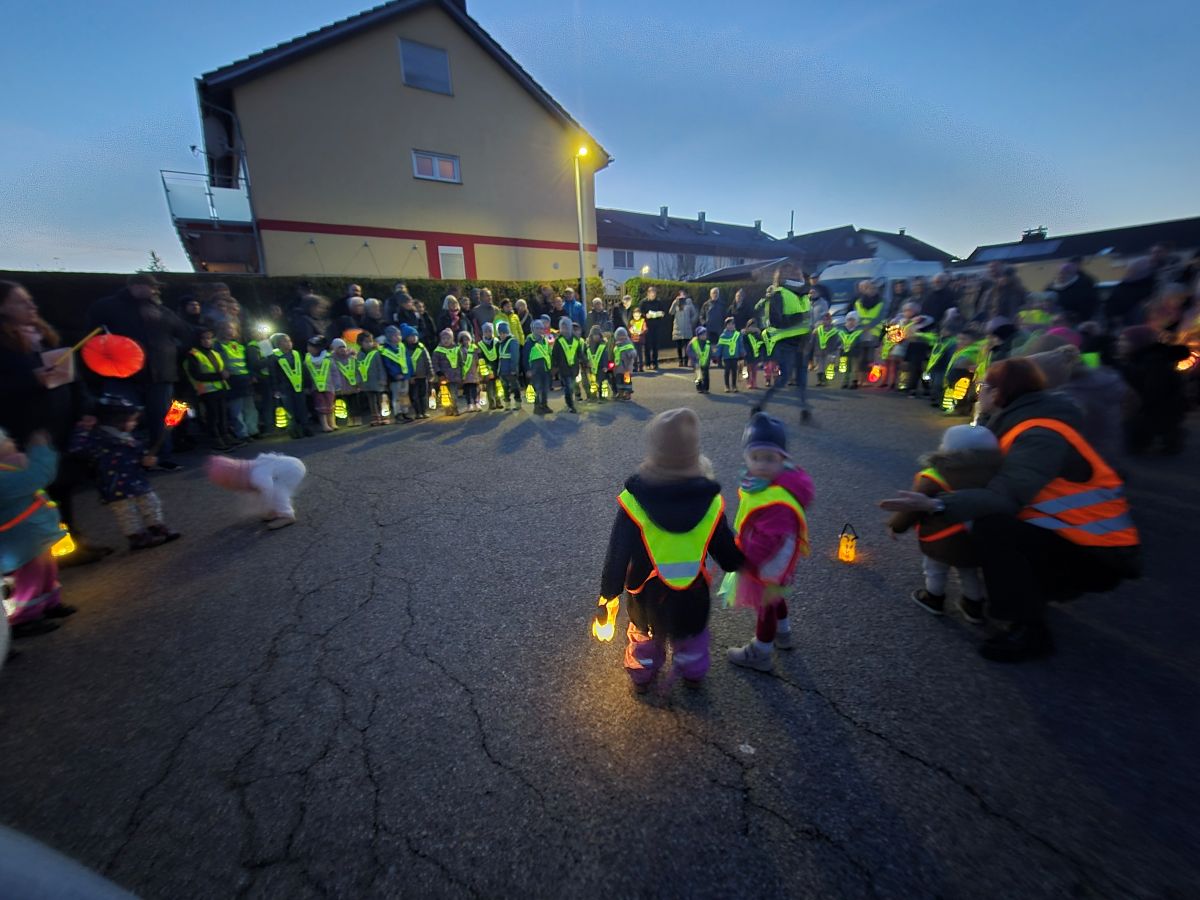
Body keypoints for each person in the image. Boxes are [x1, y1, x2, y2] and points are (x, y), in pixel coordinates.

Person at [880, 358, 1142, 662]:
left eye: (983, 386)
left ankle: (1029, 630)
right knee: (993, 523)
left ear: (1000, 392)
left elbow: (1007, 494)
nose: (978, 392)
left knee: (993, 527)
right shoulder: (1021, 421)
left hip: (1098, 550)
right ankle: (1025, 596)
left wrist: (936, 503)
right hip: (1072, 536)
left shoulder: (1039, 433)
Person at [598, 408, 744, 692]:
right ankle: (692, 670)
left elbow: (618, 552)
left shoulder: (634, 501)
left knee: (644, 634)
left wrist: (608, 593)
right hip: (693, 593)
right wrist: (741, 561)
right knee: (691, 634)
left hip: (645, 593)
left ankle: (642, 674)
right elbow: (724, 548)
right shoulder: (710, 502)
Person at [0, 281, 112, 566]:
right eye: (21, 302)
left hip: (59, 423)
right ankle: (49, 554)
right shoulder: (5, 347)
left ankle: (72, 542)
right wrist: (30, 380)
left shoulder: (45, 338)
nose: (32, 306)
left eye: (30, 300)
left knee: (63, 485)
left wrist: (86, 409)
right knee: (40, 491)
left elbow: (73, 380)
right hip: (26, 428)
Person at [722, 412, 814, 671]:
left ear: (783, 459)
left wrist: (745, 559)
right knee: (776, 596)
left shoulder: (778, 497)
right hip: (778, 561)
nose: (761, 464)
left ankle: (761, 651)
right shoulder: (767, 482)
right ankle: (783, 634)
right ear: (746, 457)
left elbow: (770, 538)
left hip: (769, 560)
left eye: (769, 458)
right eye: (755, 457)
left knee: (766, 603)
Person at [888, 424, 1000, 623]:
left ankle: (934, 597)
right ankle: (973, 606)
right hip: (977, 538)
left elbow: (913, 505)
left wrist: (896, 525)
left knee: (935, 568)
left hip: (941, 537)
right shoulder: (996, 476)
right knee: (968, 571)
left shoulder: (935, 475)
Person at [86, 273, 194, 470]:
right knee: (122, 417)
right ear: (135, 286)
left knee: (162, 417)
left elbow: (185, 334)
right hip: (122, 374)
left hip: (160, 373)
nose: (154, 291)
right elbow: (92, 337)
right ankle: (125, 458)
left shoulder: (162, 311)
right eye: (151, 287)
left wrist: (171, 350)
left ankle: (160, 456)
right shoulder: (107, 307)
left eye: (155, 288)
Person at [69, 395, 181, 551]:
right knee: (126, 512)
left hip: (136, 480)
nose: (134, 424)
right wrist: (82, 430)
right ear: (116, 421)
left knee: (151, 502)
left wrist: (146, 459)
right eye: (131, 420)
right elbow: (78, 450)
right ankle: (136, 536)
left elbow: (140, 453)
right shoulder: (99, 439)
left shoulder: (128, 437)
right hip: (114, 484)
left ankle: (156, 526)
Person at [1, 428, 75, 637]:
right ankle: (23, 618)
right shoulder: (5, 479)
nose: (12, 441)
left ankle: (49, 603)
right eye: (5, 441)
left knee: (46, 571)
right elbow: (37, 476)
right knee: (27, 580)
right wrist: (40, 449)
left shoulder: (10, 468)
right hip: (19, 544)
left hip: (32, 538)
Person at [1117, 325, 1189, 454]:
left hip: (1155, 416)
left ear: (1138, 343)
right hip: (1151, 414)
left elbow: (1152, 397)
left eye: (1124, 341)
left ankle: (1161, 437)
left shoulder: (1154, 364)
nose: (1119, 344)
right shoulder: (1136, 360)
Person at [206, 452, 307, 531]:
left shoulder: (256, 475)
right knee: (265, 491)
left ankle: (287, 515)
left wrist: (266, 509)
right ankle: (276, 511)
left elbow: (268, 492)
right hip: (287, 467)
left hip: (294, 469)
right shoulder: (248, 471)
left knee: (278, 491)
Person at [763, 277, 814, 416]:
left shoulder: (805, 298)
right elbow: (776, 321)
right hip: (786, 343)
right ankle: (761, 405)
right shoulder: (779, 295)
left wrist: (808, 339)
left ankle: (805, 410)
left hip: (802, 343)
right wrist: (799, 317)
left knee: (802, 380)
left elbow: (808, 322)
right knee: (784, 378)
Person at [184, 327, 234, 451]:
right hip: (206, 390)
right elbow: (196, 375)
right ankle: (216, 440)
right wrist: (219, 376)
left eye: (210, 338)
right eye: (204, 338)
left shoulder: (214, 353)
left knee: (222, 414)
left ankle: (225, 436)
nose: (207, 341)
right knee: (213, 416)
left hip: (220, 388)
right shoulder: (193, 354)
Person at [216, 320, 257, 441]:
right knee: (236, 409)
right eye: (227, 328)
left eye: (232, 329)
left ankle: (252, 430)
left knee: (249, 407)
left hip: (244, 379)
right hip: (232, 380)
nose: (230, 331)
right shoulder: (218, 345)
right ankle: (242, 434)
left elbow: (246, 361)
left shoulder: (239, 345)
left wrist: (251, 375)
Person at [268, 333, 310, 439]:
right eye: (285, 341)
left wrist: (307, 384)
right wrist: (275, 388)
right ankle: (294, 430)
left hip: (298, 385)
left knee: (302, 407)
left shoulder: (296, 353)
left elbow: (303, 370)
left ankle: (305, 427)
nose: (288, 343)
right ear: (278, 344)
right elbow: (273, 373)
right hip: (284, 386)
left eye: (289, 340)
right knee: (290, 409)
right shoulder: (274, 356)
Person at [1047, 262, 1099, 326]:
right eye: (1059, 273)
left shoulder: (1083, 285)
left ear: (1073, 274)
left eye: (1065, 273)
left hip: (1078, 322)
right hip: (1054, 322)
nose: (1061, 275)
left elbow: (1089, 306)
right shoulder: (1049, 288)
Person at [379, 326, 411, 423]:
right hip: (395, 378)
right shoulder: (385, 350)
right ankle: (398, 414)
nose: (398, 337)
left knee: (405, 395)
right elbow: (388, 365)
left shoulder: (402, 346)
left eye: (399, 335)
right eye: (395, 336)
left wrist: (409, 373)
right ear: (389, 337)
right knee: (396, 397)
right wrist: (395, 374)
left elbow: (408, 361)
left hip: (405, 376)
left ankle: (405, 412)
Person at [305, 336, 336, 432]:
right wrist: (306, 386)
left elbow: (334, 371)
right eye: (308, 346)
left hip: (329, 385)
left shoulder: (328, 357)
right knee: (320, 406)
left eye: (312, 347)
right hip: (315, 387)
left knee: (330, 405)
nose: (309, 349)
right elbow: (305, 374)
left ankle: (332, 423)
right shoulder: (307, 359)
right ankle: (324, 425)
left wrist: (337, 384)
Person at [356, 331, 387, 425]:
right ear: (360, 343)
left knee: (381, 400)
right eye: (366, 342)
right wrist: (358, 381)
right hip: (366, 382)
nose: (369, 343)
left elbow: (380, 367)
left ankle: (384, 416)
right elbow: (357, 369)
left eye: (370, 341)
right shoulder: (359, 355)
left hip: (377, 381)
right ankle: (375, 417)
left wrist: (383, 379)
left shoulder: (376, 353)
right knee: (371, 401)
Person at [552, 316, 582, 413]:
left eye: (566, 327)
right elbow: (554, 355)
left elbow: (579, 353)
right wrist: (554, 367)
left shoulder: (575, 340)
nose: (564, 329)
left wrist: (586, 361)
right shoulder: (558, 341)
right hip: (563, 369)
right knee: (568, 387)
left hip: (574, 369)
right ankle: (570, 405)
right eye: (563, 327)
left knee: (571, 386)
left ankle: (570, 401)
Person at [403, 325, 432, 419]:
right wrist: (409, 376)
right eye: (410, 336)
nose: (413, 338)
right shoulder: (405, 349)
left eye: (415, 335)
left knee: (423, 394)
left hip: (423, 375)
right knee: (414, 396)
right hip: (413, 377)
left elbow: (428, 361)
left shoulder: (421, 347)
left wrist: (430, 372)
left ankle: (424, 411)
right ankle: (418, 412)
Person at [524, 319, 553, 414]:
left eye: (541, 328)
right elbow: (525, 357)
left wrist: (551, 366)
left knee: (545, 389)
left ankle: (544, 405)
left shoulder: (545, 340)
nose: (540, 330)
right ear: (533, 329)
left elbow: (548, 353)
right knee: (537, 388)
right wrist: (528, 369)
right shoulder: (529, 341)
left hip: (545, 368)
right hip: (535, 370)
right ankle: (537, 407)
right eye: (537, 328)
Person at [433, 329, 462, 416]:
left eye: (448, 338)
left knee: (454, 394)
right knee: (445, 394)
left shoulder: (457, 349)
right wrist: (439, 373)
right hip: (443, 377)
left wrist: (461, 373)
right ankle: (447, 409)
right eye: (444, 338)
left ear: (452, 339)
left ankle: (455, 407)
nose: (446, 340)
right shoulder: (438, 351)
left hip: (454, 376)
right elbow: (435, 363)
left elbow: (460, 361)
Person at [495, 320, 521, 410]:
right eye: (500, 333)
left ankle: (518, 403)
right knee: (505, 387)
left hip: (510, 370)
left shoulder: (512, 341)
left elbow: (515, 357)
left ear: (507, 332)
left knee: (514, 386)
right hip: (503, 370)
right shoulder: (500, 343)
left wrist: (513, 369)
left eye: (503, 333)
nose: (501, 335)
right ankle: (507, 404)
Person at [476, 322, 502, 411]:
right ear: (483, 333)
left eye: (490, 331)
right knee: (490, 387)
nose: (488, 333)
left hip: (497, 367)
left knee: (498, 386)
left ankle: (499, 401)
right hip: (487, 370)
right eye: (486, 331)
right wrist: (486, 371)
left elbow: (500, 355)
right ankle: (492, 403)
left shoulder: (497, 342)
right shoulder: (480, 344)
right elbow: (481, 359)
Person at [668, 291, 698, 366]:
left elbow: (694, 314)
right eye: (680, 295)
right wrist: (675, 302)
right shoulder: (676, 304)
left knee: (687, 346)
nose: (682, 297)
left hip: (686, 327)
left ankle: (686, 361)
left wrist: (691, 322)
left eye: (683, 295)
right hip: (678, 327)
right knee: (679, 346)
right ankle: (680, 361)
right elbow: (671, 312)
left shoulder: (689, 303)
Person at [639, 286, 666, 370]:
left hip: (656, 326)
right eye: (651, 294)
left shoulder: (658, 302)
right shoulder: (643, 302)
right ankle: (647, 363)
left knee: (655, 345)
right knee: (647, 345)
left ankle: (655, 363)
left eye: (654, 294)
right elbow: (639, 313)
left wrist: (661, 314)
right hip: (647, 326)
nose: (653, 295)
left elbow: (663, 311)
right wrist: (645, 315)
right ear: (648, 293)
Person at [811, 310, 839, 386]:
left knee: (827, 366)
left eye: (827, 319)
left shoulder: (834, 330)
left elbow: (836, 341)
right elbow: (813, 340)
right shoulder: (817, 330)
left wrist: (835, 351)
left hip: (829, 351)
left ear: (830, 320)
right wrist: (812, 349)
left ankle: (825, 380)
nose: (825, 321)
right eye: (824, 319)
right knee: (820, 367)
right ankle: (820, 380)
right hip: (818, 351)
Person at [838, 310, 864, 389]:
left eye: (853, 320)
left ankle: (854, 381)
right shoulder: (842, 330)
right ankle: (845, 382)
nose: (850, 322)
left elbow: (859, 342)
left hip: (855, 352)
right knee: (845, 368)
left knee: (854, 368)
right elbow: (839, 340)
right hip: (844, 352)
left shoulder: (858, 331)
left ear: (856, 322)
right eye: (849, 320)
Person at [715, 317, 742, 393]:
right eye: (729, 324)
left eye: (732, 324)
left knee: (734, 371)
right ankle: (727, 386)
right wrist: (717, 356)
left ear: (735, 325)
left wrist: (742, 352)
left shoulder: (738, 334)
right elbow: (719, 347)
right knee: (727, 371)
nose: (731, 326)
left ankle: (734, 386)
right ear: (726, 325)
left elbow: (740, 344)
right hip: (726, 357)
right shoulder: (723, 336)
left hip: (735, 356)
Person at [583, 326, 610, 402]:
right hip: (591, 367)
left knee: (602, 383)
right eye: (594, 335)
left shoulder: (603, 345)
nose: (596, 336)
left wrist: (605, 366)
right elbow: (584, 355)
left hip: (601, 367)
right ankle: (593, 396)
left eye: (597, 334)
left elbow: (605, 356)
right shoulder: (587, 345)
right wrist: (586, 364)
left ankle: (603, 397)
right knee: (592, 383)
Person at [457, 330, 482, 411]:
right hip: (465, 373)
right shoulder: (459, 350)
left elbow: (478, 359)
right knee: (467, 390)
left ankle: (476, 403)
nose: (466, 341)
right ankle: (469, 404)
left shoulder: (474, 348)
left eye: (467, 339)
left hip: (474, 371)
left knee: (475, 389)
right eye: (463, 339)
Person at [612, 327, 636, 401]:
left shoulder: (628, 344)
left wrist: (631, 354)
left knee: (627, 381)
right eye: (619, 336)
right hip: (619, 368)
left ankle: (627, 393)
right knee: (619, 381)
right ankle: (620, 393)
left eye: (623, 336)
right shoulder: (616, 346)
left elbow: (633, 353)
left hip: (626, 368)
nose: (621, 337)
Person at [687, 326, 712, 394]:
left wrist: (711, 358)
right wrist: (694, 356)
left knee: (706, 376)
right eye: (702, 334)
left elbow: (710, 352)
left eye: (705, 334)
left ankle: (706, 388)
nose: (704, 336)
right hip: (696, 363)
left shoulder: (707, 342)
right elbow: (689, 351)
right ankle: (699, 388)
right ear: (698, 335)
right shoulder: (693, 342)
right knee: (698, 376)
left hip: (705, 362)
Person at [742, 322, 765, 389]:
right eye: (751, 326)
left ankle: (754, 382)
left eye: (754, 326)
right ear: (748, 326)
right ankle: (749, 382)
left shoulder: (757, 334)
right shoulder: (745, 335)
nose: (752, 328)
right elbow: (743, 344)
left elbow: (761, 343)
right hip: (748, 355)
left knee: (754, 370)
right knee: (748, 369)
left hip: (755, 354)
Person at [628, 307, 647, 372]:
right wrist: (632, 331)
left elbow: (645, 329)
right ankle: (635, 367)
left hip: (640, 339)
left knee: (640, 353)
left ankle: (641, 367)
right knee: (634, 354)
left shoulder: (642, 320)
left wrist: (640, 332)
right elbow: (630, 329)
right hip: (633, 339)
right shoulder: (632, 321)